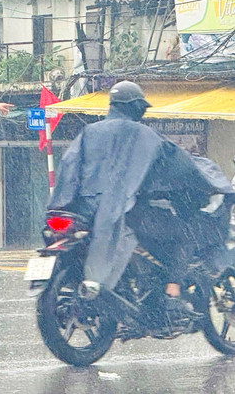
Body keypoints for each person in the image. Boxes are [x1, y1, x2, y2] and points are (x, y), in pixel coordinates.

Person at [48, 81, 231, 323]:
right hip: (125, 212)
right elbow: (180, 164)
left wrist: (64, 203)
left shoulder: (89, 132)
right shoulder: (142, 134)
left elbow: (69, 168)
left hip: (81, 212)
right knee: (186, 233)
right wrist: (213, 182)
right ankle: (172, 292)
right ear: (135, 107)